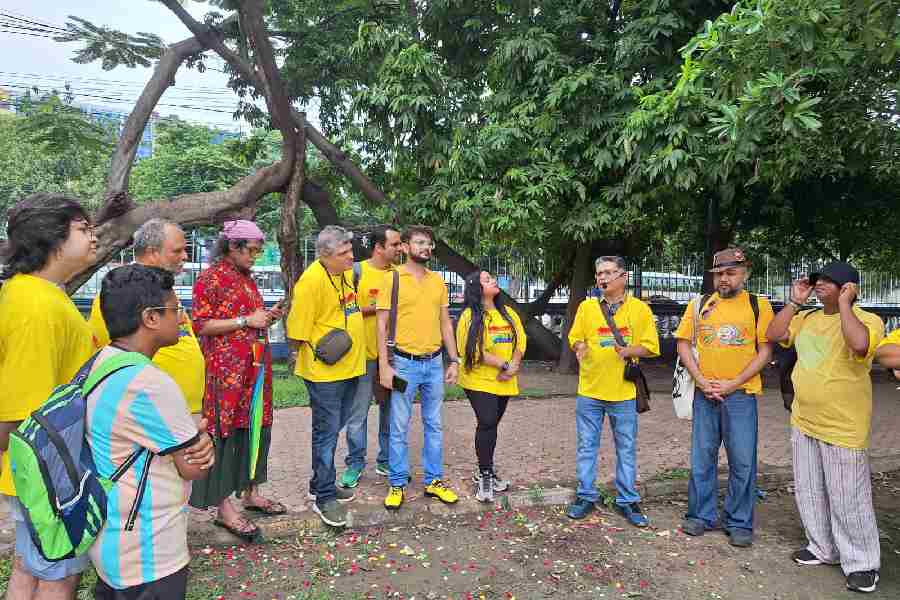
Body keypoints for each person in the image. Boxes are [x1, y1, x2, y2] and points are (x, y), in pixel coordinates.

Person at [86, 265, 214, 600]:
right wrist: (204, 441)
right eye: (175, 309)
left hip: (113, 542)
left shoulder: (103, 361)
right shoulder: (149, 384)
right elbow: (194, 467)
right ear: (150, 318)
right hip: (149, 552)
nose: (182, 318)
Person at [766, 261, 884, 594]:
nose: (819, 285)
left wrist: (845, 306)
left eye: (829, 282)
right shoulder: (806, 318)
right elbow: (773, 335)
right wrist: (794, 302)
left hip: (843, 425)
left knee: (848, 497)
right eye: (818, 280)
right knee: (809, 488)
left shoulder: (868, 320)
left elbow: (860, 345)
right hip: (804, 418)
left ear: (848, 289)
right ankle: (823, 547)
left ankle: (862, 563)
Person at [0, 193, 96, 600]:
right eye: (83, 228)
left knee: (30, 565)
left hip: (41, 468)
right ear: (51, 236)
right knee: (58, 573)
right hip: (49, 469)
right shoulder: (36, 307)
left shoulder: (41, 295)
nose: (94, 237)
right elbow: (24, 411)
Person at [189, 220, 285, 542]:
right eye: (253, 250)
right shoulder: (210, 278)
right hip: (226, 374)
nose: (256, 256)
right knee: (223, 432)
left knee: (254, 426)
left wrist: (265, 318)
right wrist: (247, 320)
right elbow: (200, 325)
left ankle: (250, 493)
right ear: (233, 246)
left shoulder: (247, 279)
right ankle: (224, 509)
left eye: (259, 251)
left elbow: (248, 320)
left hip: (254, 369)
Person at [673, 248, 774, 548]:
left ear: (745, 273)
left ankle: (738, 521)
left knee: (743, 461)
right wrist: (703, 382)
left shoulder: (758, 305)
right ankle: (700, 515)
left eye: (731, 273)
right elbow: (683, 345)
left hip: (740, 396)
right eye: (719, 274)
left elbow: (766, 351)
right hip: (706, 395)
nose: (724, 279)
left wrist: (733, 383)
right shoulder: (700, 304)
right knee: (702, 458)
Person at [566, 256, 659, 526]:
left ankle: (628, 500)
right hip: (590, 391)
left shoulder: (640, 310)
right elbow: (575, 338)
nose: (602, 278)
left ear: (623, 277)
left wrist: (629, 351)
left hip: (624, 394)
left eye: (608, 273)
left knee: (626, 448)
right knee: (586, 446)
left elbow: (651, 347)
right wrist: (579, 347)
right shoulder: (586, 308)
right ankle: (585, 496)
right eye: (599, 274)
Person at [286, 225, 365, 526]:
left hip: (351, 367)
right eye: (343, 253)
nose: (350, 257)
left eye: (350, 250)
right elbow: (296, 333)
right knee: (327, 432)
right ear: (324, 255)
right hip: (325, 374)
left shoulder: (345, 274)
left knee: (335, 427)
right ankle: (324, 497)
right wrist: (305, 356)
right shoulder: (311, 282)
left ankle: (321, 482)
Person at [378, 225, 461, 510]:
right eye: (420, 242)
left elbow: (445, 323)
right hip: (403, 364)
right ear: (404, 247)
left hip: (434, 364)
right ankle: (397, 483)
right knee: (399, 425)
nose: (426, 247)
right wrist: (384, 366)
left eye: (429, 243)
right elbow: (381, 325)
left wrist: (454, 359)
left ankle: (433, 481)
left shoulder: (438, 281)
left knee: (434, 425)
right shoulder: (392, 280)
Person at [87, 219, 205, 413]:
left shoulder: (163, 290)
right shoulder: (120, 293)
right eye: (177, 251)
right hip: (149, 412)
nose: (185, 256)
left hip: (182, 408)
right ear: (152, 252)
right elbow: (111, 351)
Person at [339, 225, 402, 489]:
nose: (401, 249)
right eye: (396, 245)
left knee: (392, 409)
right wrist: (374, 309)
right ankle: (355, 462)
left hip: (395, 356)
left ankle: (386, 459)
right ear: (379, 247)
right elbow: (342, 306)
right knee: (358, 412)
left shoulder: (399, 275)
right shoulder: (357, 271)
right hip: (362, 355)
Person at [456, 270, 527, 503]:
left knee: (491, 426)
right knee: (487, 421)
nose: (494, 281)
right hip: (478, 379)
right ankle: (485, 473)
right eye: (487, 280)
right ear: (477, 288)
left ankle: (485, 469)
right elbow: (473, 351)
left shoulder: (507, 313)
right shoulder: (469, 315)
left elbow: (521, 341)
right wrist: (504, 364)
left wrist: (514, 365)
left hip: (504, 379)